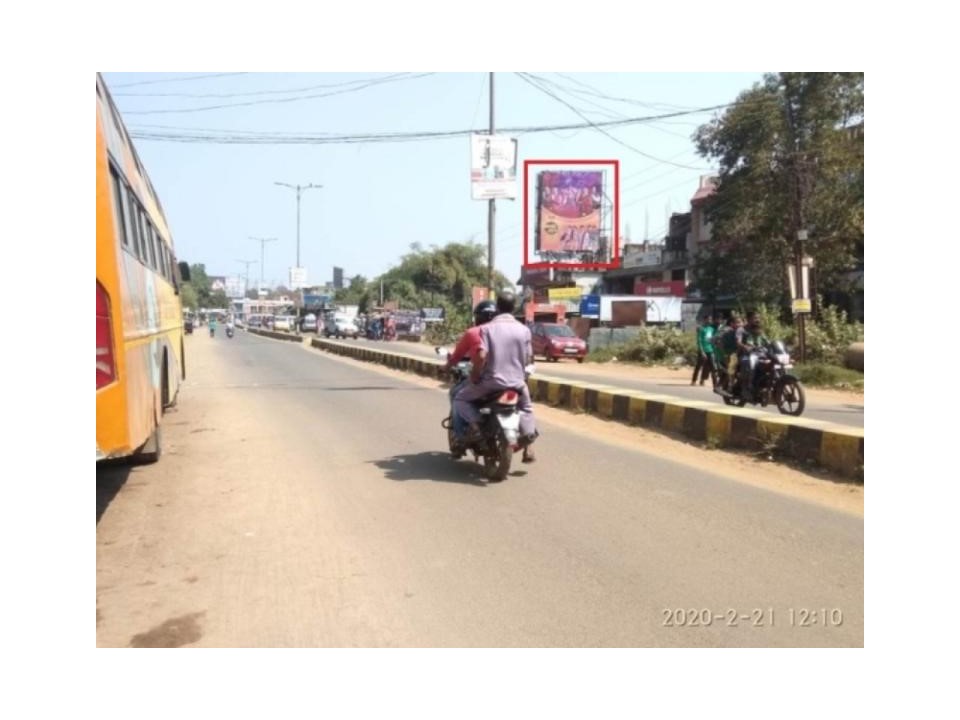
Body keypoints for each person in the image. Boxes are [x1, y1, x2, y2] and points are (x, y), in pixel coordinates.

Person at [454, 290, 538, 463]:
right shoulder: (524, 330)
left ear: (498, 307)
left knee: (460, 399)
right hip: (517, 383)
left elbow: (482, 356)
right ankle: (529, 438)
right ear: (514, 307)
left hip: (491, 383)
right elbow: (529, 358)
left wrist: (475, 375)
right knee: (527, 408)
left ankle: (476, 426)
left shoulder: (487, 329)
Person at [445, 300, 498, 440]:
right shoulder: (506, 332)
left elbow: (457, 356)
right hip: (510, 380)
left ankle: (461, 434)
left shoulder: (474, 332)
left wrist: (445, 367)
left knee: (456, 395)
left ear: (479, 317)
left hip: (484, 379)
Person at [737, 312, 769, 401]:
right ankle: (746, 388)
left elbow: (767, 341)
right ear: (748, 319)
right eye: (755, 318)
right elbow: (738, 342)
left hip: (759, 353)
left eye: (758, 318)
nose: (757, 319)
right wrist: (745, 347)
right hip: (745, 353)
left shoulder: (759, 329)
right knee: (747, 363)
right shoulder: (742, 329)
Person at [691, 315, 716, 386]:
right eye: (708, 319)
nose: (710, 321)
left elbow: (713, 340)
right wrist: (702, 351)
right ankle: (694, 380)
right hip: (703, 350)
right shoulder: (701, 329)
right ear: (705, 320)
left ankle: (703, 380)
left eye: (711, 319)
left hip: (710, 350)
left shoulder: (711, 329)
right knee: (698, 366)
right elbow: (699, 341)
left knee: (710, 367)